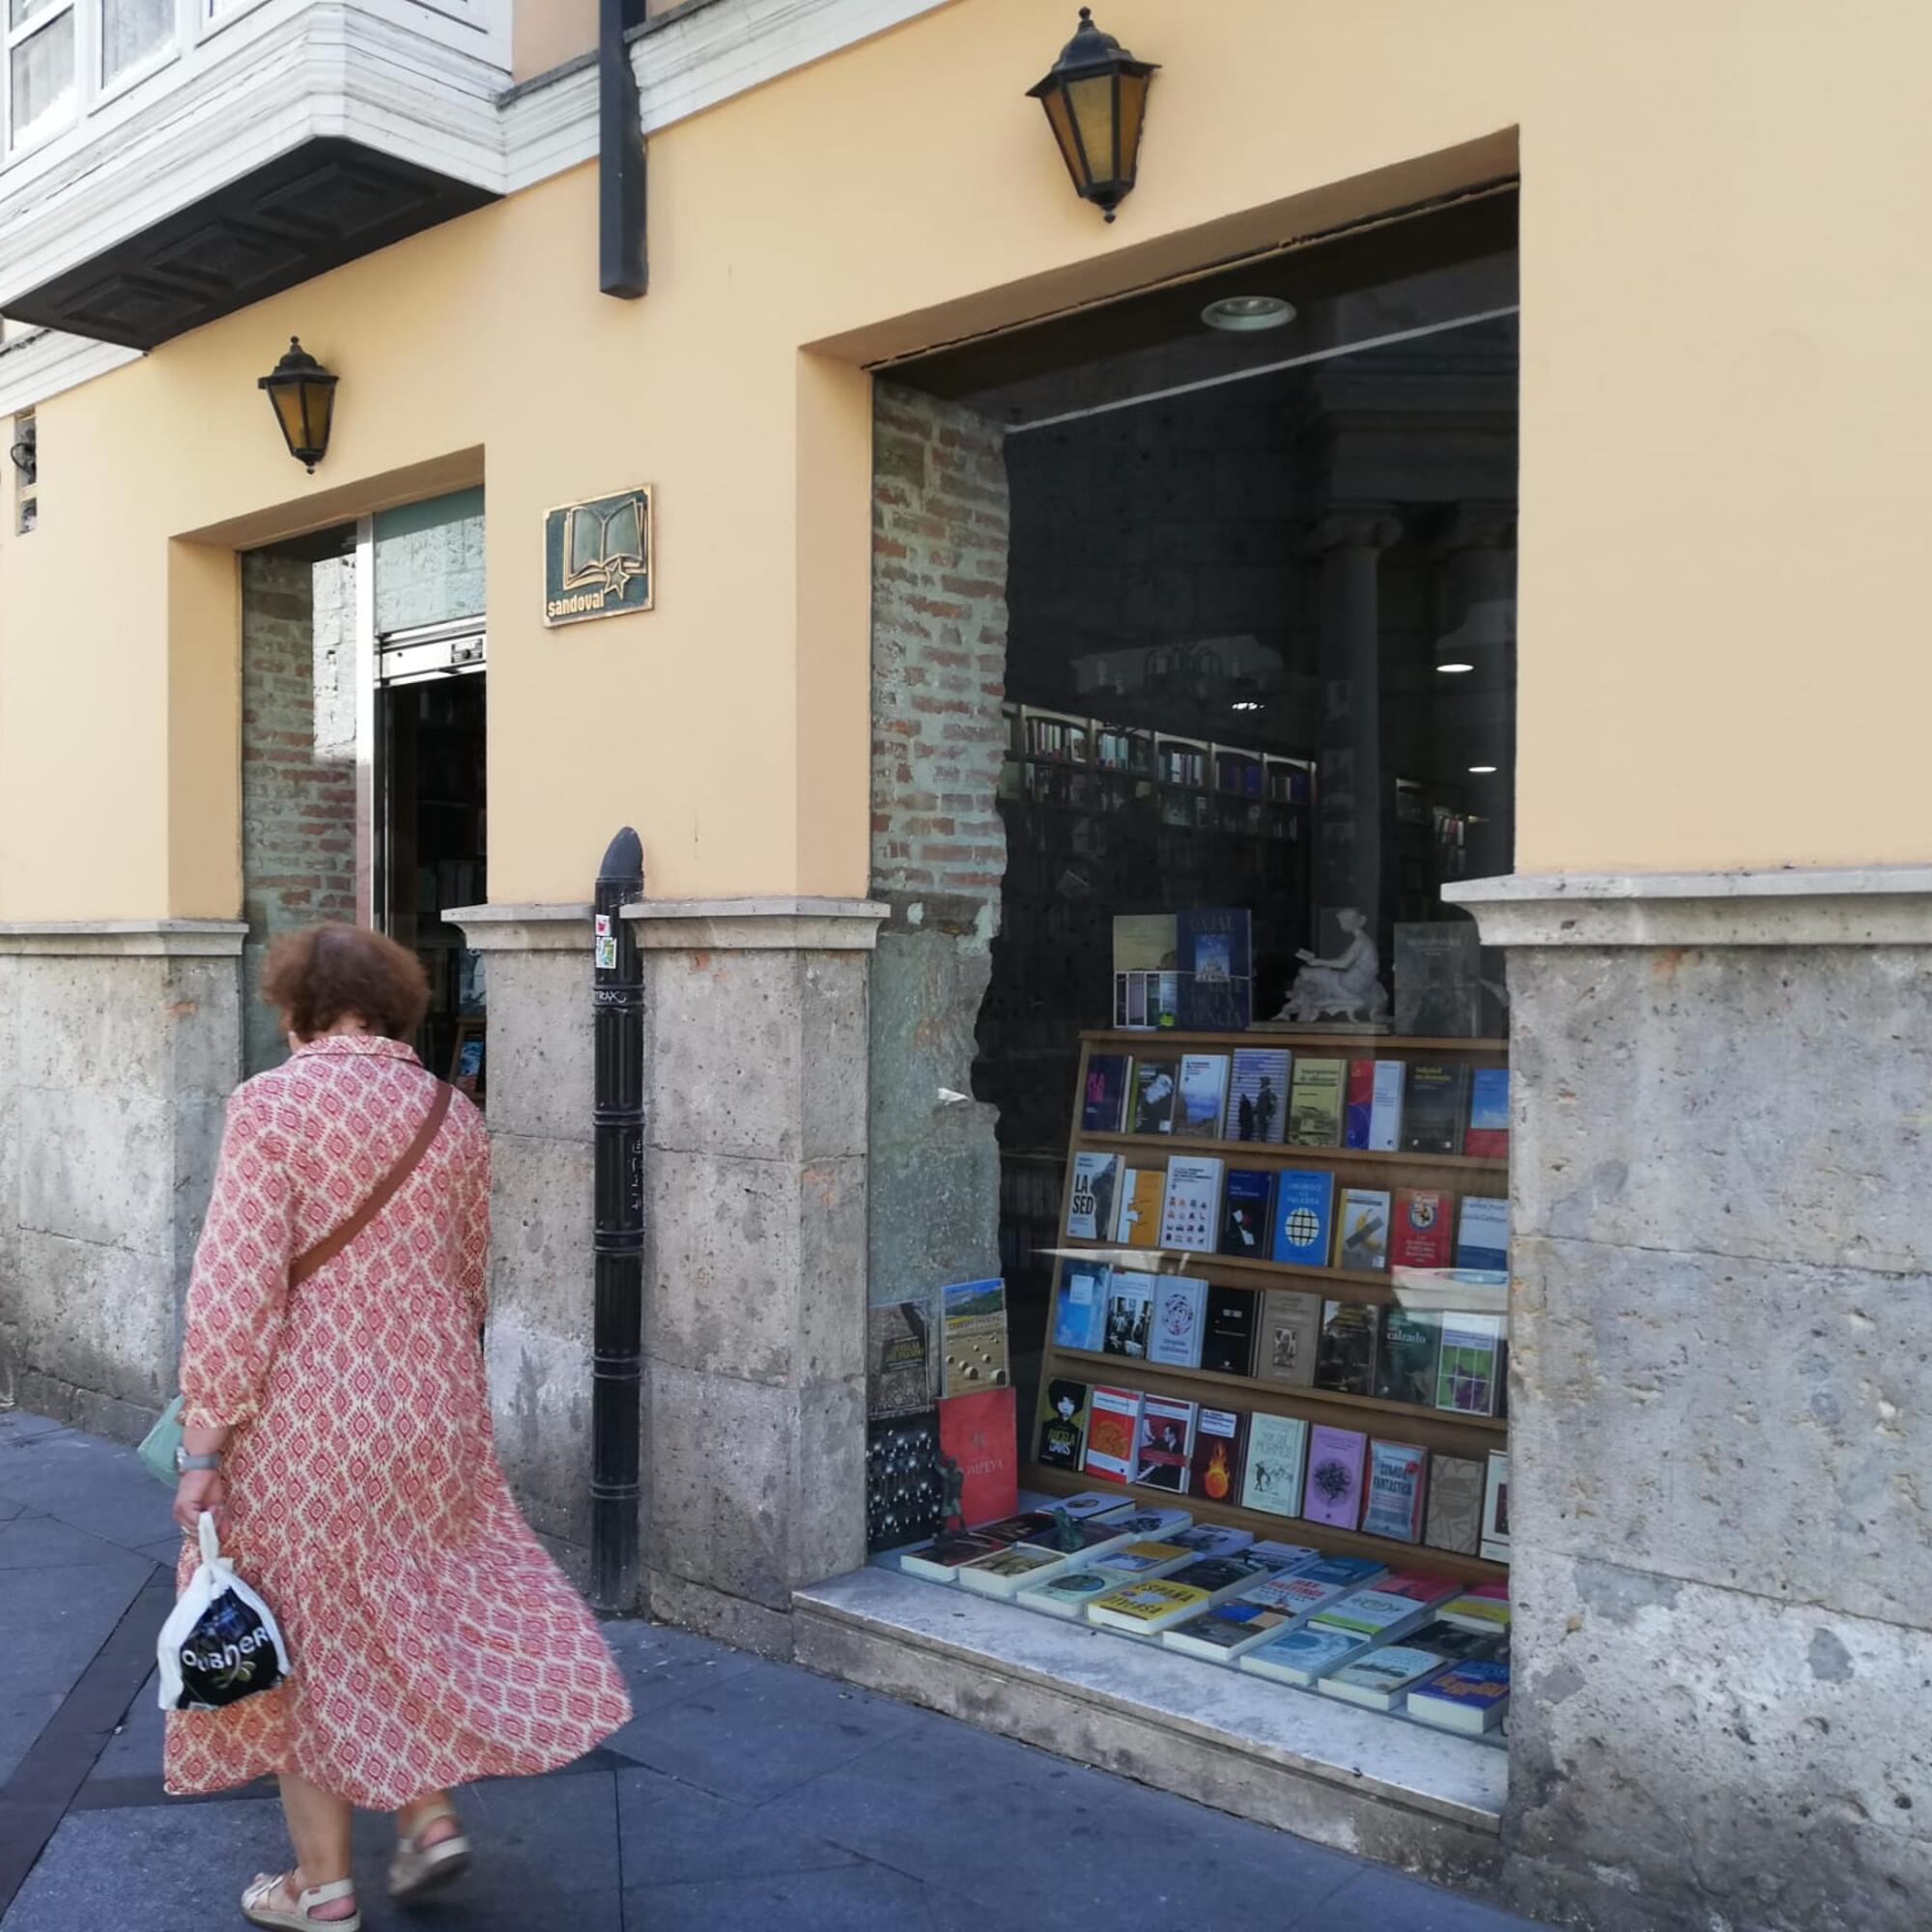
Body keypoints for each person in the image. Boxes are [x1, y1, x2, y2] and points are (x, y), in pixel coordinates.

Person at [166, 923, 632, 1931]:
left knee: (298, 1638)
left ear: (294, 1005)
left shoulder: (270, 1105)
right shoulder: (448, 1113)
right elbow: (466, 1273)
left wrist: (203, 1444)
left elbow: (236, 1288)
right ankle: (425, 1819)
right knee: (402, 1606)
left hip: (306, 1420)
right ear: (394, 1004)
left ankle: (321, 1887)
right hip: (431, 1408)